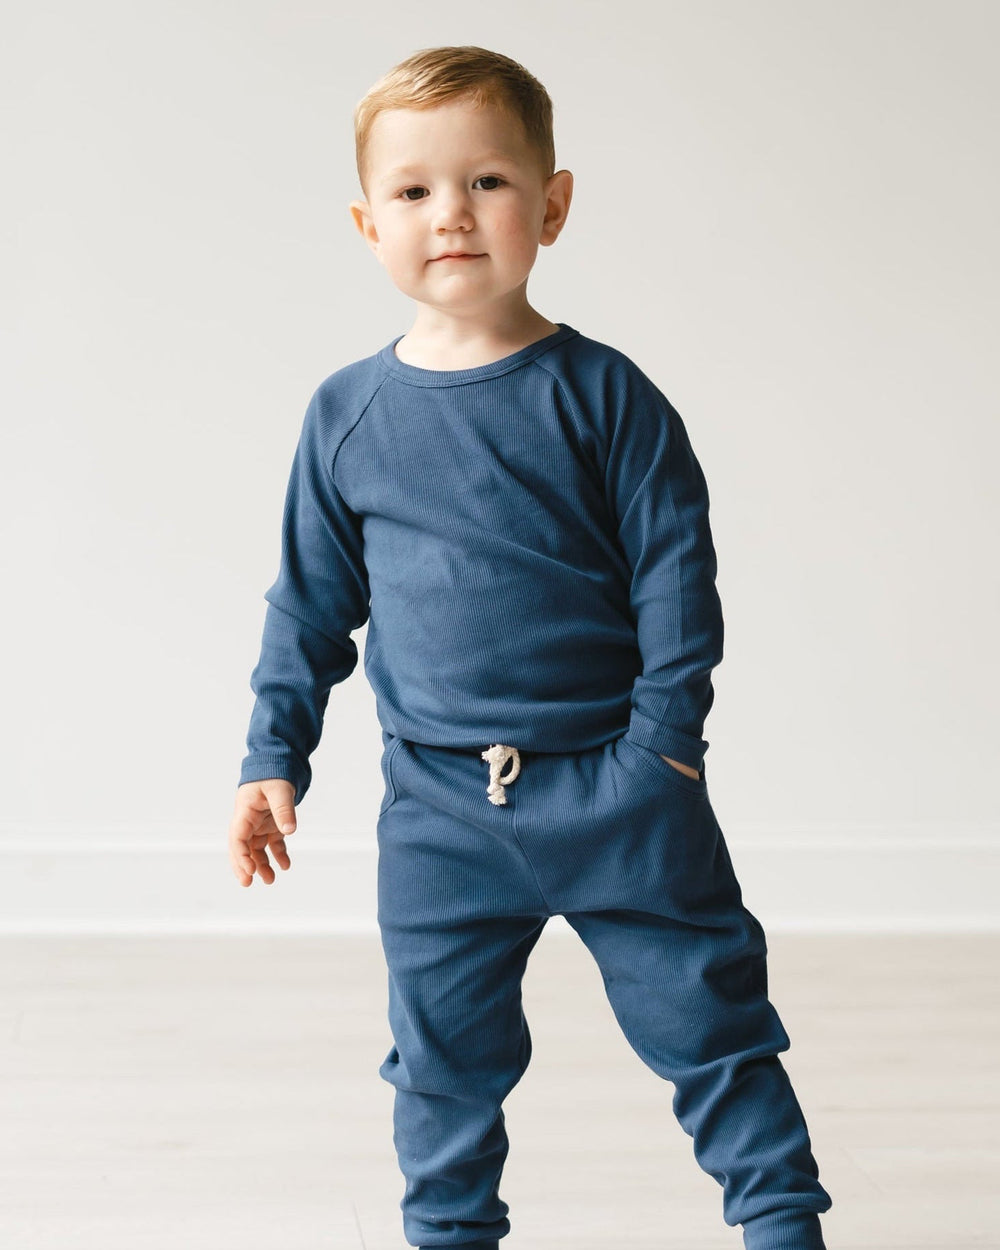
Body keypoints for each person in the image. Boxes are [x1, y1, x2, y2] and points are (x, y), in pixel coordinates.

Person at [227, 43, 833, 1250]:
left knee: (714, 1032)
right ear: (367, 223)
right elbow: (309, 602)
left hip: (618, 792)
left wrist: (661, 751)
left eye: (488, 182)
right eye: (413, 191)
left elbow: (677, 577)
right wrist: (271, 751)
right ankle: (450, 1233)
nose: (450, 212)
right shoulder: (346, 414)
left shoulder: (605, 396)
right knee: (441, 1064)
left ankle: (780, 1224)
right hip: (442, 811)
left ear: (551, 205)